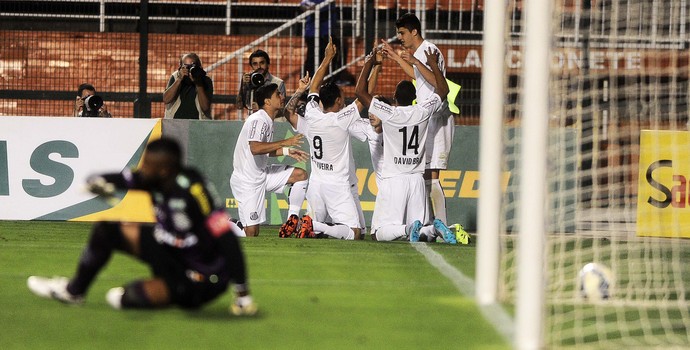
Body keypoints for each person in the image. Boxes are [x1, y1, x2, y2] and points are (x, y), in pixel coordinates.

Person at [26, 138, 257, 315]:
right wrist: (97, 182)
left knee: (125, 298)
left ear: (165, 170)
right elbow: (119, 179)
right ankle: (73, 291)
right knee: (107, 230)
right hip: (167, 251)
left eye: (148, 165)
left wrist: (242, 294)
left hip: (200, 276)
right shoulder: (151, 179)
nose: (143, 168)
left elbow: (228, 240)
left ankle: (165, 293)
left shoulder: (194, 191)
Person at [356, 46, 457, 244]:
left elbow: (360, 92)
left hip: (394, 179)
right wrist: (434, 65)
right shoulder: (422, 110)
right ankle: (434, 229)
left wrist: (369, 62)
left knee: (378, 233)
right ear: (414, 97)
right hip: (417, 181)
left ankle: (409, 228)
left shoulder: (389, 113)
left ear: (394, 98)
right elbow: (443, 90)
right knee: (422, 233)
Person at [282, 36, 373, 240]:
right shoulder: (341, 119)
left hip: (316, 182)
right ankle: (315, 224)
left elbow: (314, 87)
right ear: (339, 100)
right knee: (355, 233)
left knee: (315, 233)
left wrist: (327, 58)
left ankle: (312, 223)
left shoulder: (313, 114)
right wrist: (371, 66)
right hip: (337, 184)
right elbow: (364, 96)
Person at [381, 13, 454, 231]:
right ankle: (430, 225)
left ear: (414, 31)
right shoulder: (419, 53)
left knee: (432, 175)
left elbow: (439, 82)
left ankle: (443, 226)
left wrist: (414, 61)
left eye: (402, 33)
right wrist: (396, 57)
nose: (400, 37)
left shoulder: (430, 51)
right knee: (424, 175)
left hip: (439, 120)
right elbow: (417, 77)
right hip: (426, 119)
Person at [230, 83, 310, 237]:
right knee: (251, 234)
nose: (282, 96)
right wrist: (284, 142)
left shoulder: (267, 119)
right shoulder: (258, 119)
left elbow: (264, 150)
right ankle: (229, 224)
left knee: (300, 175)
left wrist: (287, 151)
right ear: (267, 101)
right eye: (277, 94)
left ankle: (291, 220)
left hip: (261, 174)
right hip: (247, 181)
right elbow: (255, 148)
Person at [300, 0, 355, 86]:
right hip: (314, 33)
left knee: (334, 54)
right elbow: (304, 4)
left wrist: (315, 7)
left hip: (326, 33)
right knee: (313, 58)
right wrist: (314, 7)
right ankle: (306, 81)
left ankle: (332, 80)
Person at [236, 49, 287, 118]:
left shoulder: (278, 83)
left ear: (268, 64)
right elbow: (240, 106)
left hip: (274, 124)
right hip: (254, 123)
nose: (259, 67)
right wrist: (243, 84)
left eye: (262, 63)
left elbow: (282, 110)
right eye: (255, 64)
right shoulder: (249, 82)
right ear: (251, 66)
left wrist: (260, 111)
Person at [163, 53, 213, 119]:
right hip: (175, 123)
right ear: (180, 67)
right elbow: (166, 99)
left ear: (199, 67)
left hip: (198, 124)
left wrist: (198, 84)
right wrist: (179, 79)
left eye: (192, 66)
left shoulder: (205, 80)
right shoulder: (175, 76)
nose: (190, 70)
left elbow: (205, 107)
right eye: (187, 66)